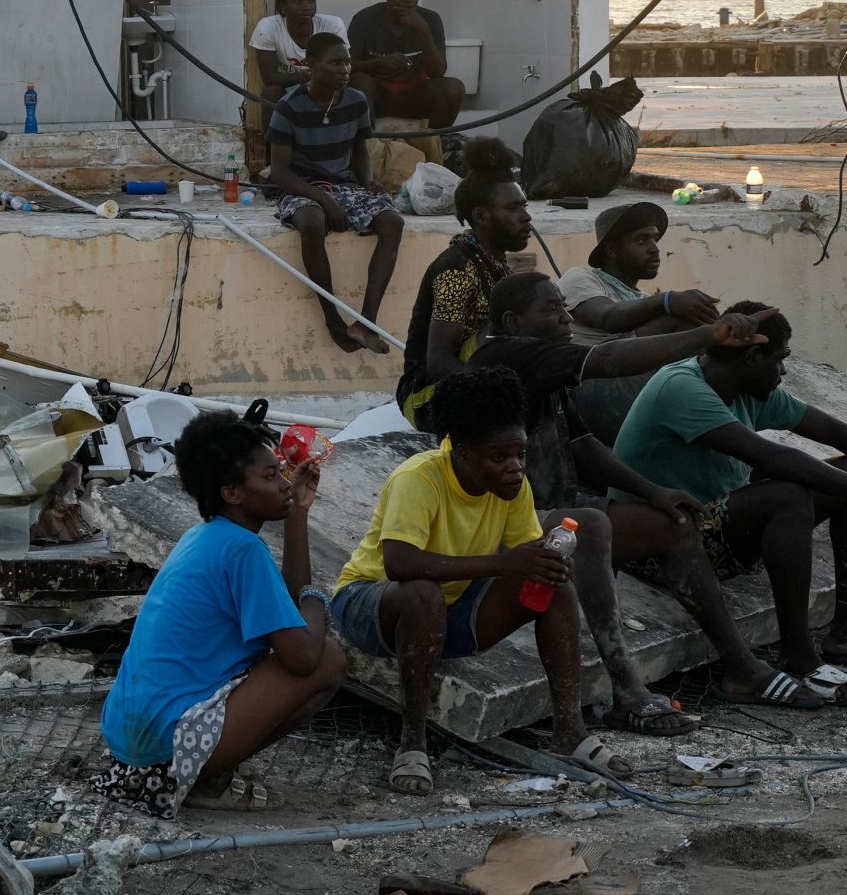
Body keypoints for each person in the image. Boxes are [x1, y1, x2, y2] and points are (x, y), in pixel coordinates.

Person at [468, 272, 803, 718]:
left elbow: (582, 445)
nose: (566, 317)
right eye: (551, 309)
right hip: (502, 523)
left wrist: (652, 491)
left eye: (564, 305)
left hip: (545, 510)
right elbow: (609, 359)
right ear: (512, 321)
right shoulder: (506, 355)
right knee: (592, 527)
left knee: (670, 523)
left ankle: (741, 668)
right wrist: (708, 334)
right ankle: (628, 690)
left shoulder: (540, 368)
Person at [331, 366, 632, 797]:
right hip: (371, 605)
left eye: (520, 454)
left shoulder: (513, 488)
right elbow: (400, 563)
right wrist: (502, 564)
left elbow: (525, 559)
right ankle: (412, 743)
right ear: (464, 453)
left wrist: (545, 565)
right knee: (422, 594)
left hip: (446, 610)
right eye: (499, 458)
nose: (515, 468)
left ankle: (570, 731)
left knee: (555, 588)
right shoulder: (419, 478)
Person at [96, 406, 346, 816]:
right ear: (232, 493)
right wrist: (317, 599)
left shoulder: (207, 536)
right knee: (328, 660)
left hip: (134, 739)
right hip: (167, 744)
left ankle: (204, 769)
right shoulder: (243, 549)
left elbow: (287, 602)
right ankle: (205, 778)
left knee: (306, 642)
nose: (285, 484)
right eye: (270, 476)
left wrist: (299, 512)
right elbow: (302, 657)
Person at [609, 301, 847, 701]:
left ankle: (841, 636)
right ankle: (800, 658)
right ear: (753, 358)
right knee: (789, 495)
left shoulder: (751, 390)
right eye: (780, 359)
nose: (784, 371)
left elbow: (835, 432)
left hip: (715, 525)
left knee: (838, 476)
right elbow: (774, 458)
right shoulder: (681, 387)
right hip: (659, 544)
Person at [265, 34, 404, 354]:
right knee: (312, 223)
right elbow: (279, 172)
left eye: (347, 62)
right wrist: (325, 200)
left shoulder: (356, 100)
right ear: (312, 65)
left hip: (344, 185)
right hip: (302, 187)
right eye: (336, 62)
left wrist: (367, 180)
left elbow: (360, 150)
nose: (345, 69)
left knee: (393, 222)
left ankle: (366, 323)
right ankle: (333, 320)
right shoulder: (289, 107)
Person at [397, 139, 528, 428]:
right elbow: (438, 362)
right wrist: (502, 394)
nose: (526, 217)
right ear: (481, 215)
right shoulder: (456, 269)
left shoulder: (493, 264)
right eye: (513, 208)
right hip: (428, 395)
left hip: (475, 380)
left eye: (524, 206)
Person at [557, 202, 720, 346]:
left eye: (655, 239)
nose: (655, 249)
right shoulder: (580, 279)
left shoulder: (642, 301)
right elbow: (607, 317)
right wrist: (667, 300)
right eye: (641, 240)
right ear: (611, 250)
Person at [346, 0, 463, 127]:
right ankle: (368, 139)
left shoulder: (430, 19)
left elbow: (438, 72)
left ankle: (434, 139)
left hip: (414, 93)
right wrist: (379, 63)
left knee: (454, 88)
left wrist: (423, 30)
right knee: (359, 82)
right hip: (377, 93)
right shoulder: (364, 20)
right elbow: (347, 67)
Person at [248, 0, 349, 90]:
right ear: (283, 7)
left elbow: (344, 66)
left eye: (312, 1)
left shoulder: (332, 25)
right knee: (271, 92)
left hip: (325, 86)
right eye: (298, 2)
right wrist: (301, 77)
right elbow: (269, 77)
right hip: (287, 88)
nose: (307, 7)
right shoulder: (268, 27)